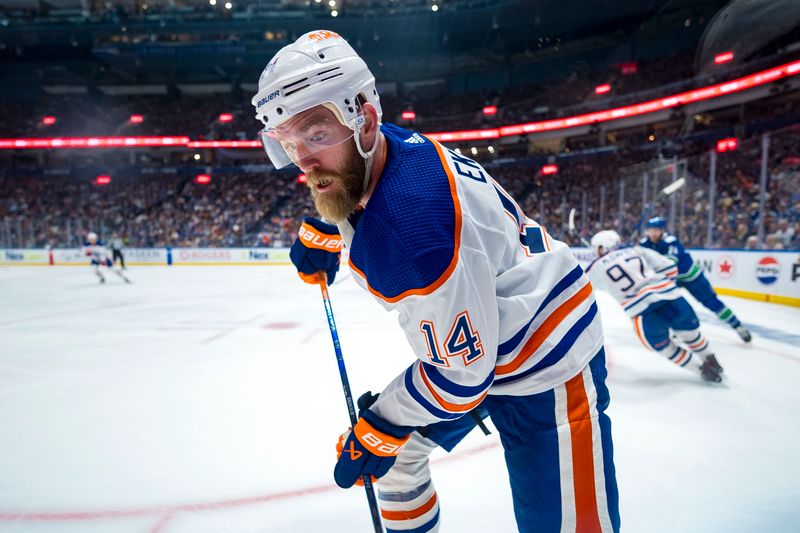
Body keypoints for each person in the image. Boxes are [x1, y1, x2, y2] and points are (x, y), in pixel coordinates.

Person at [252, 30, 619, 532]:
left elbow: (460, 378)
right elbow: (362, 181)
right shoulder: (385, 143)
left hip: (545, 362)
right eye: (289, 143)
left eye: (316, 135)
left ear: (366, 120)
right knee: (400, 463)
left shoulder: (415, 237)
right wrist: (328, 225)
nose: (304, 163)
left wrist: (381, 424)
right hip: (484, 332)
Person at [586, 230, 724, 383]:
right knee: (690, 333)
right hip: (671, 297)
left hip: (641, 309)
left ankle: (700, 369)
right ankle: (711, 358)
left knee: (662, 346)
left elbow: (581, 290)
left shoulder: (595, 267)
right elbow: (670, 267)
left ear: (601, 247)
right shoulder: (636, 250)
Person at [639, 217, 752, 342]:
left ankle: (737, 325)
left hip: (691, 277)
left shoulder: (670, 241)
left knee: (711, 302)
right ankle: (679, 329)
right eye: (650, 230)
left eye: (656, 230)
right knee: (668, 305)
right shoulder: (644, 244)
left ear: (662, 230)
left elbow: (671, 262)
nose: (653, 233)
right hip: (671, 280)